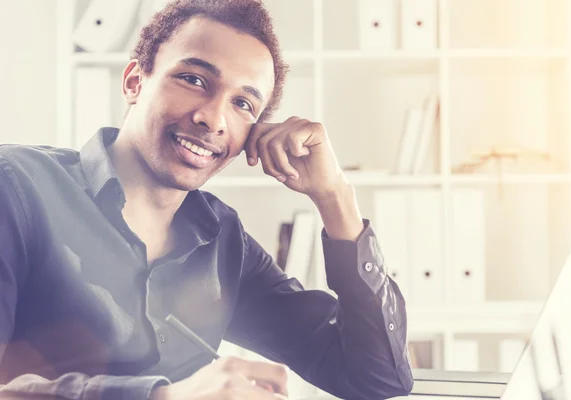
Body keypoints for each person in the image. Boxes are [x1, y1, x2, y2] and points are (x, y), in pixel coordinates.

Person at [0, 0, 413, 399]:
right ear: (134, 81)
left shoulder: (223, 243)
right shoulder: (16, 189)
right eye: (194, 80)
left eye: (242, 104)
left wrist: (335, 195)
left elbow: (373, 377)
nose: (213, 119)